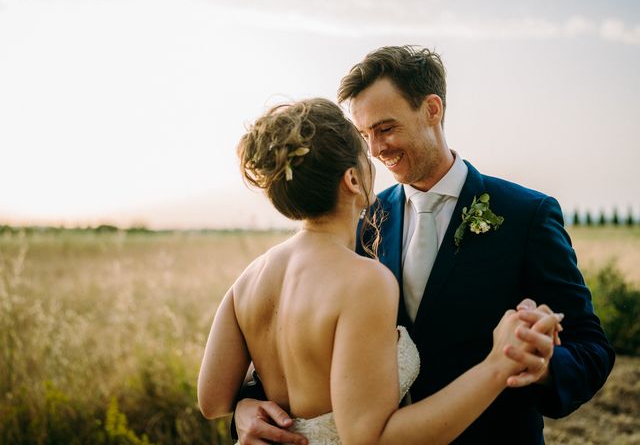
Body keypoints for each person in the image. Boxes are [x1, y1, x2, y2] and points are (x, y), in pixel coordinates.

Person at [232, 47, 615, 444]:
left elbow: (591, 347)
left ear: (432, 109)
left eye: (385, 128)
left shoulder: (525, 214)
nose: (376, 150)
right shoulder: (361, 221)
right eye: (365, 136)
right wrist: (246, 408)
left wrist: (544, 363)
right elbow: (302, 339)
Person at [198, 98, 563, 445]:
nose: (374, 156)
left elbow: (213, 399)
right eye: (364, 153)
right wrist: (499, 365)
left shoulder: (248, 279)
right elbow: (370, 438)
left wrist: (244, 406)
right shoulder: (364, 280)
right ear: (352, 180)